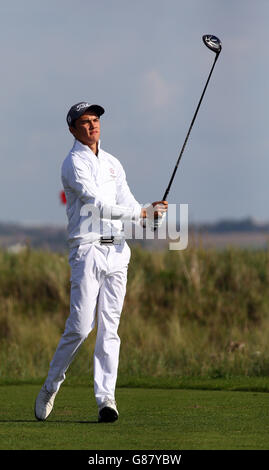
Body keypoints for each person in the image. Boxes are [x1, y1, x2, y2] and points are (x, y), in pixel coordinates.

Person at [34, 102, 168, 423]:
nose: (93, 125)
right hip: (88, 251)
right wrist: (141, 213)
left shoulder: (112, 163)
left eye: (96, 120)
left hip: (118, 252)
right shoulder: (73, 164)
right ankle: (52, 384)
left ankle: (106, 399)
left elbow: (128, 204)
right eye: (85, 121)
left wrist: (150, 215)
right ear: (73, 129)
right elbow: (99, 205)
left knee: (111, 328)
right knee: (80, 328)